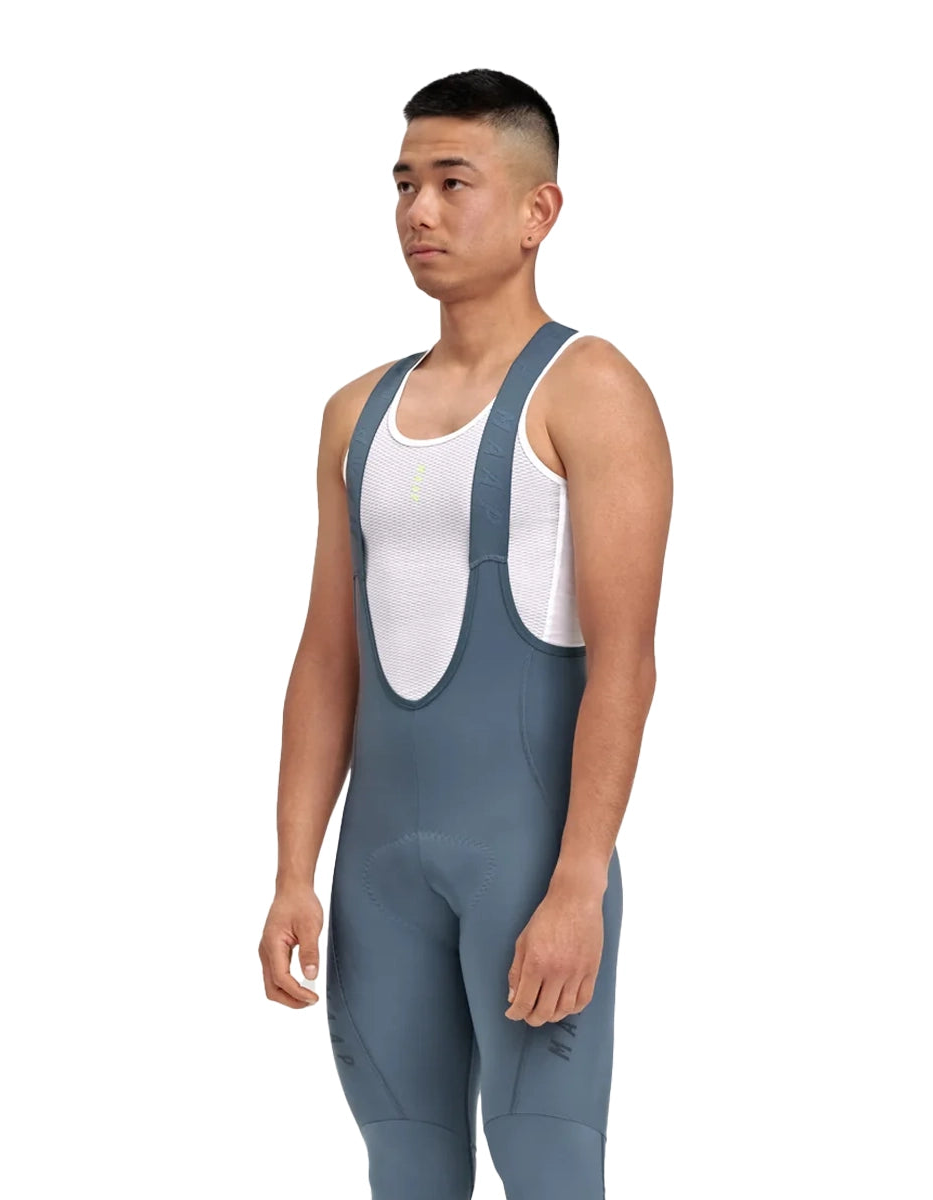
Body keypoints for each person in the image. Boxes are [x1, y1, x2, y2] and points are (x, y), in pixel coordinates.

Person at [260, 67, 673, 1199]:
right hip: (378, 878)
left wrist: (578, 884)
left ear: (540, 211)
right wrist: (294, 871)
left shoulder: (591, 391)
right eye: (404, 184)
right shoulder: (356, 413)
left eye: (453, 182)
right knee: (405, 1168)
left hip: (528, 868)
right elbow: (327, 659)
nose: (420, 211)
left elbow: (626, 665)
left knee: (548, 1167)